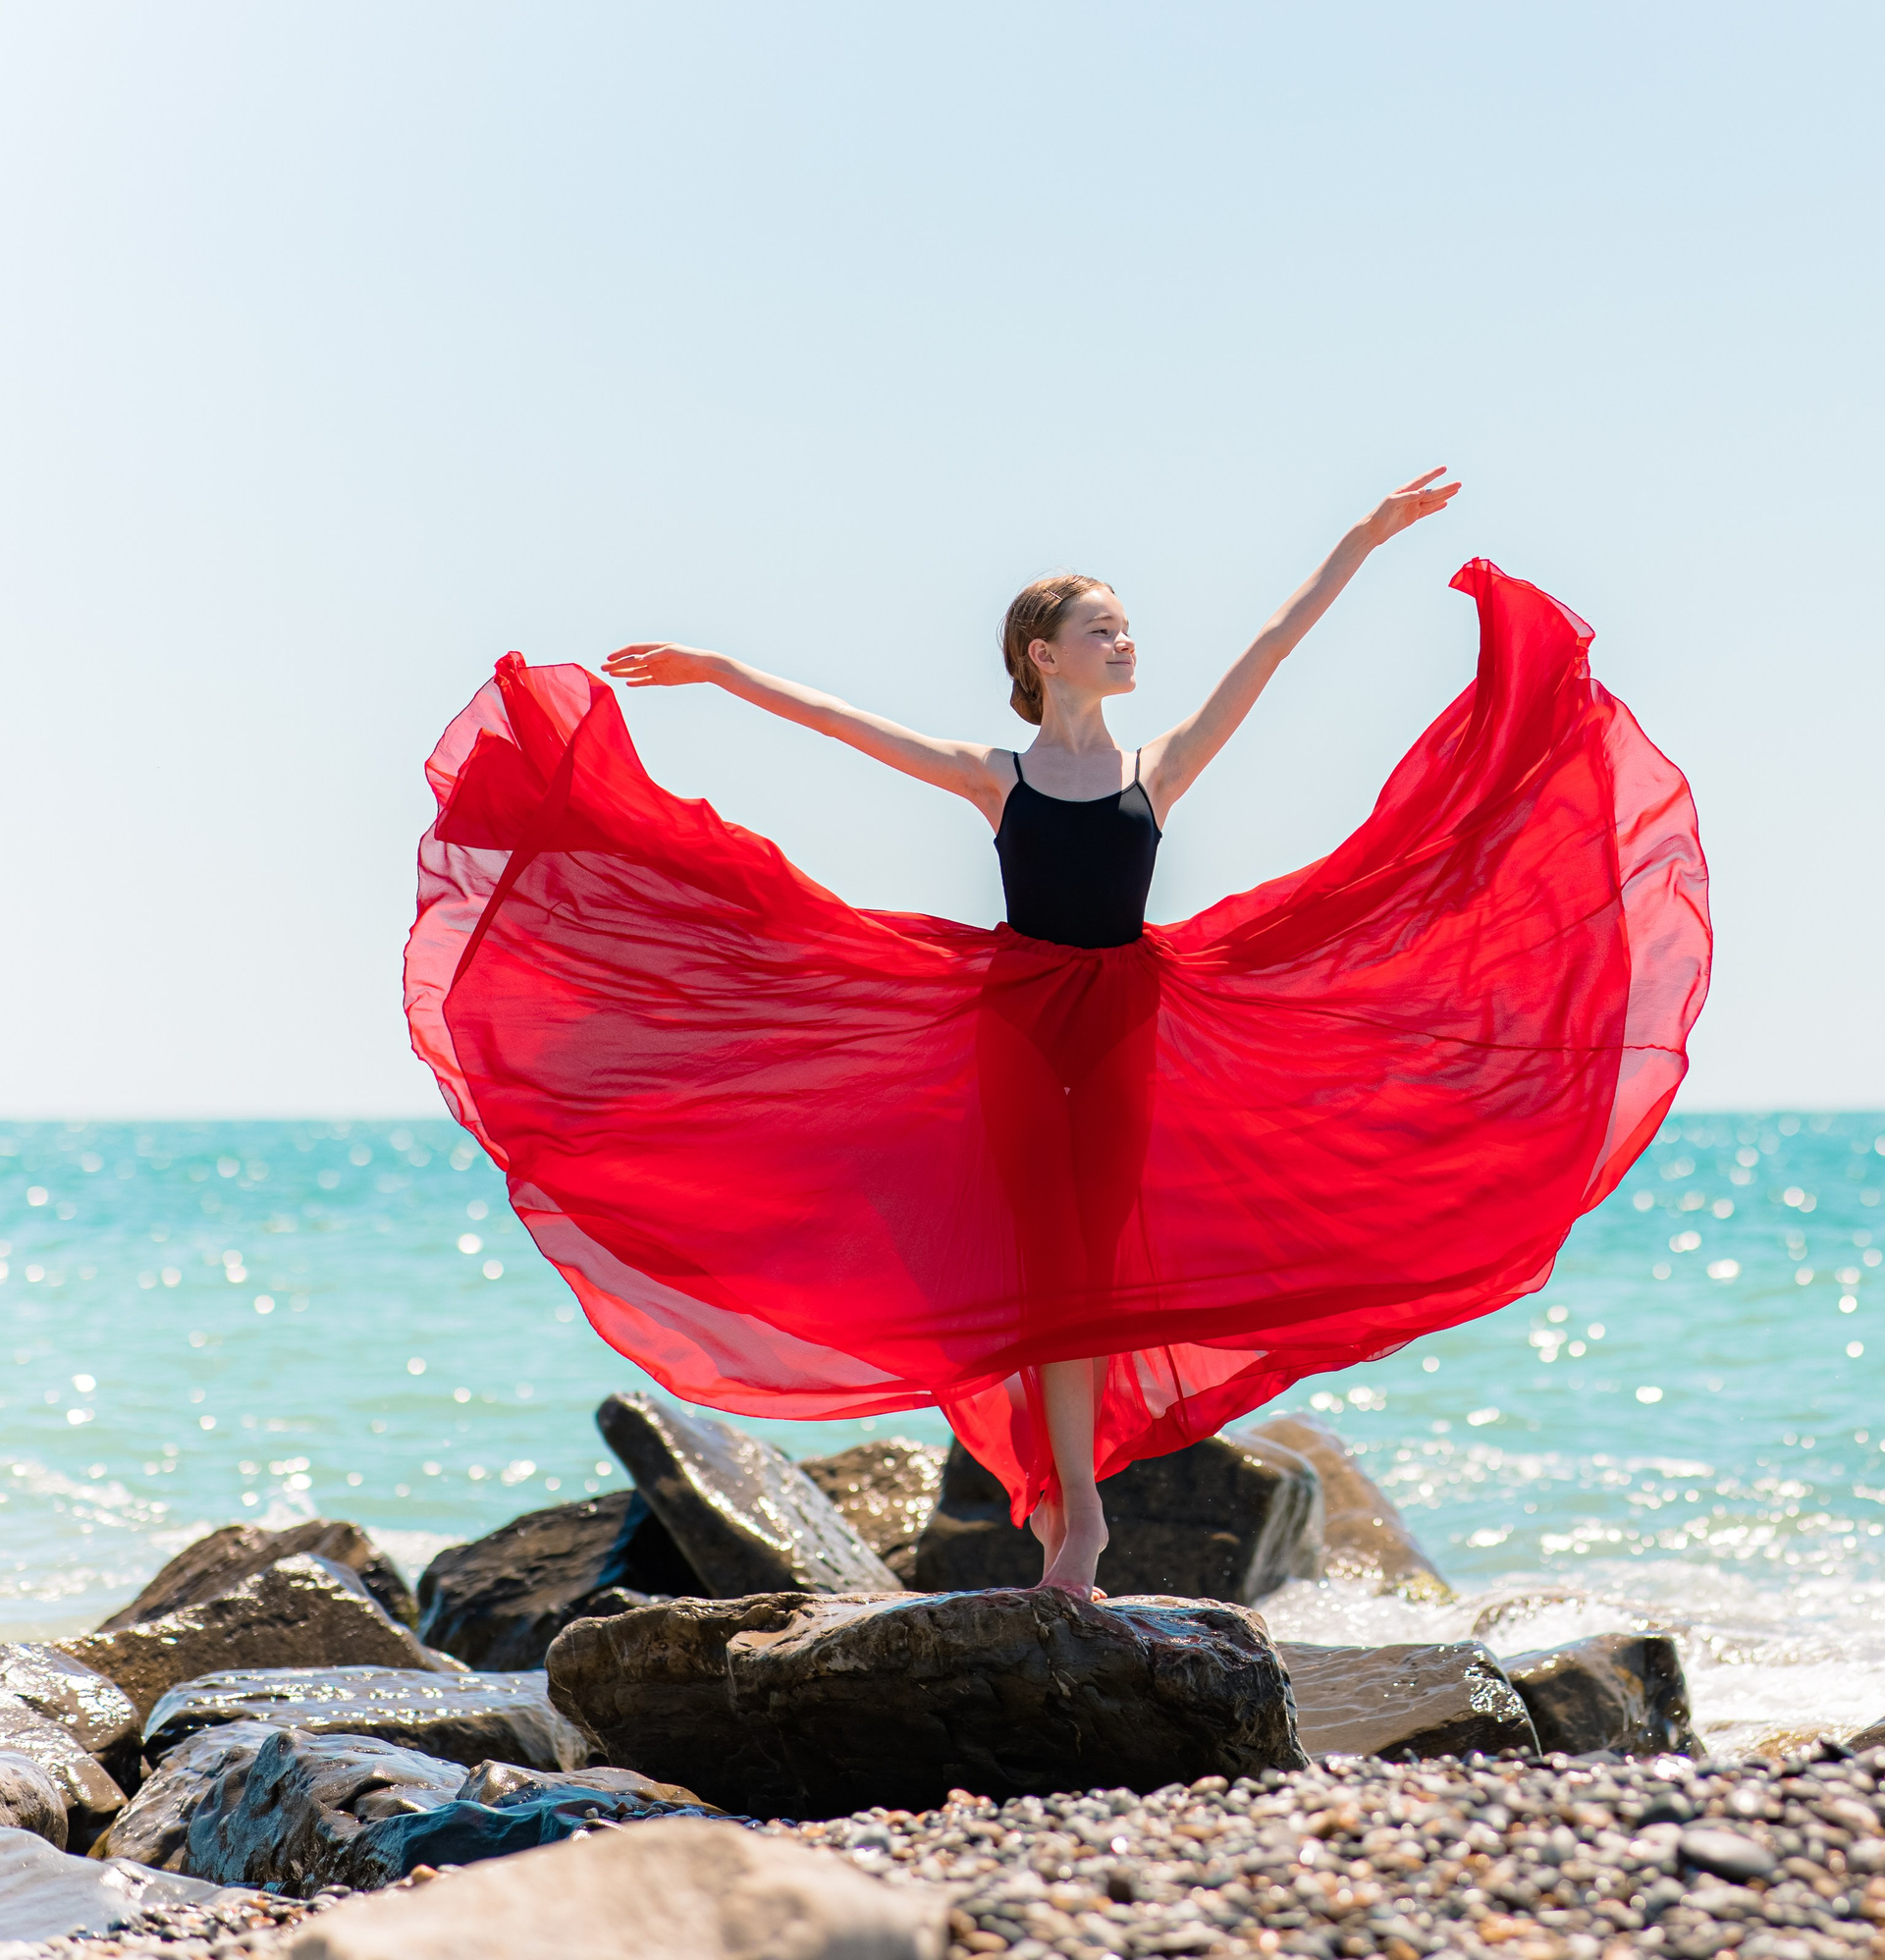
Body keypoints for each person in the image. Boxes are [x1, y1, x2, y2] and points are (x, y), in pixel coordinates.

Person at [404, 472, 1710, 1600]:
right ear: (1046, 653)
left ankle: (1067, 1502)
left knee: (1094, 1265)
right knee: (1047, 1270)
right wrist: (721, 673)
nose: (1127, 644)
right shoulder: (998, 774)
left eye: (1127, 628)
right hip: (1019, 1034)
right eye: (1105, 630)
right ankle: (1067, 1500)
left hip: (1136, 1019)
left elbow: (1275, 641)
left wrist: (1366, 538)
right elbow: (836, 725)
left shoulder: (1160, 766)